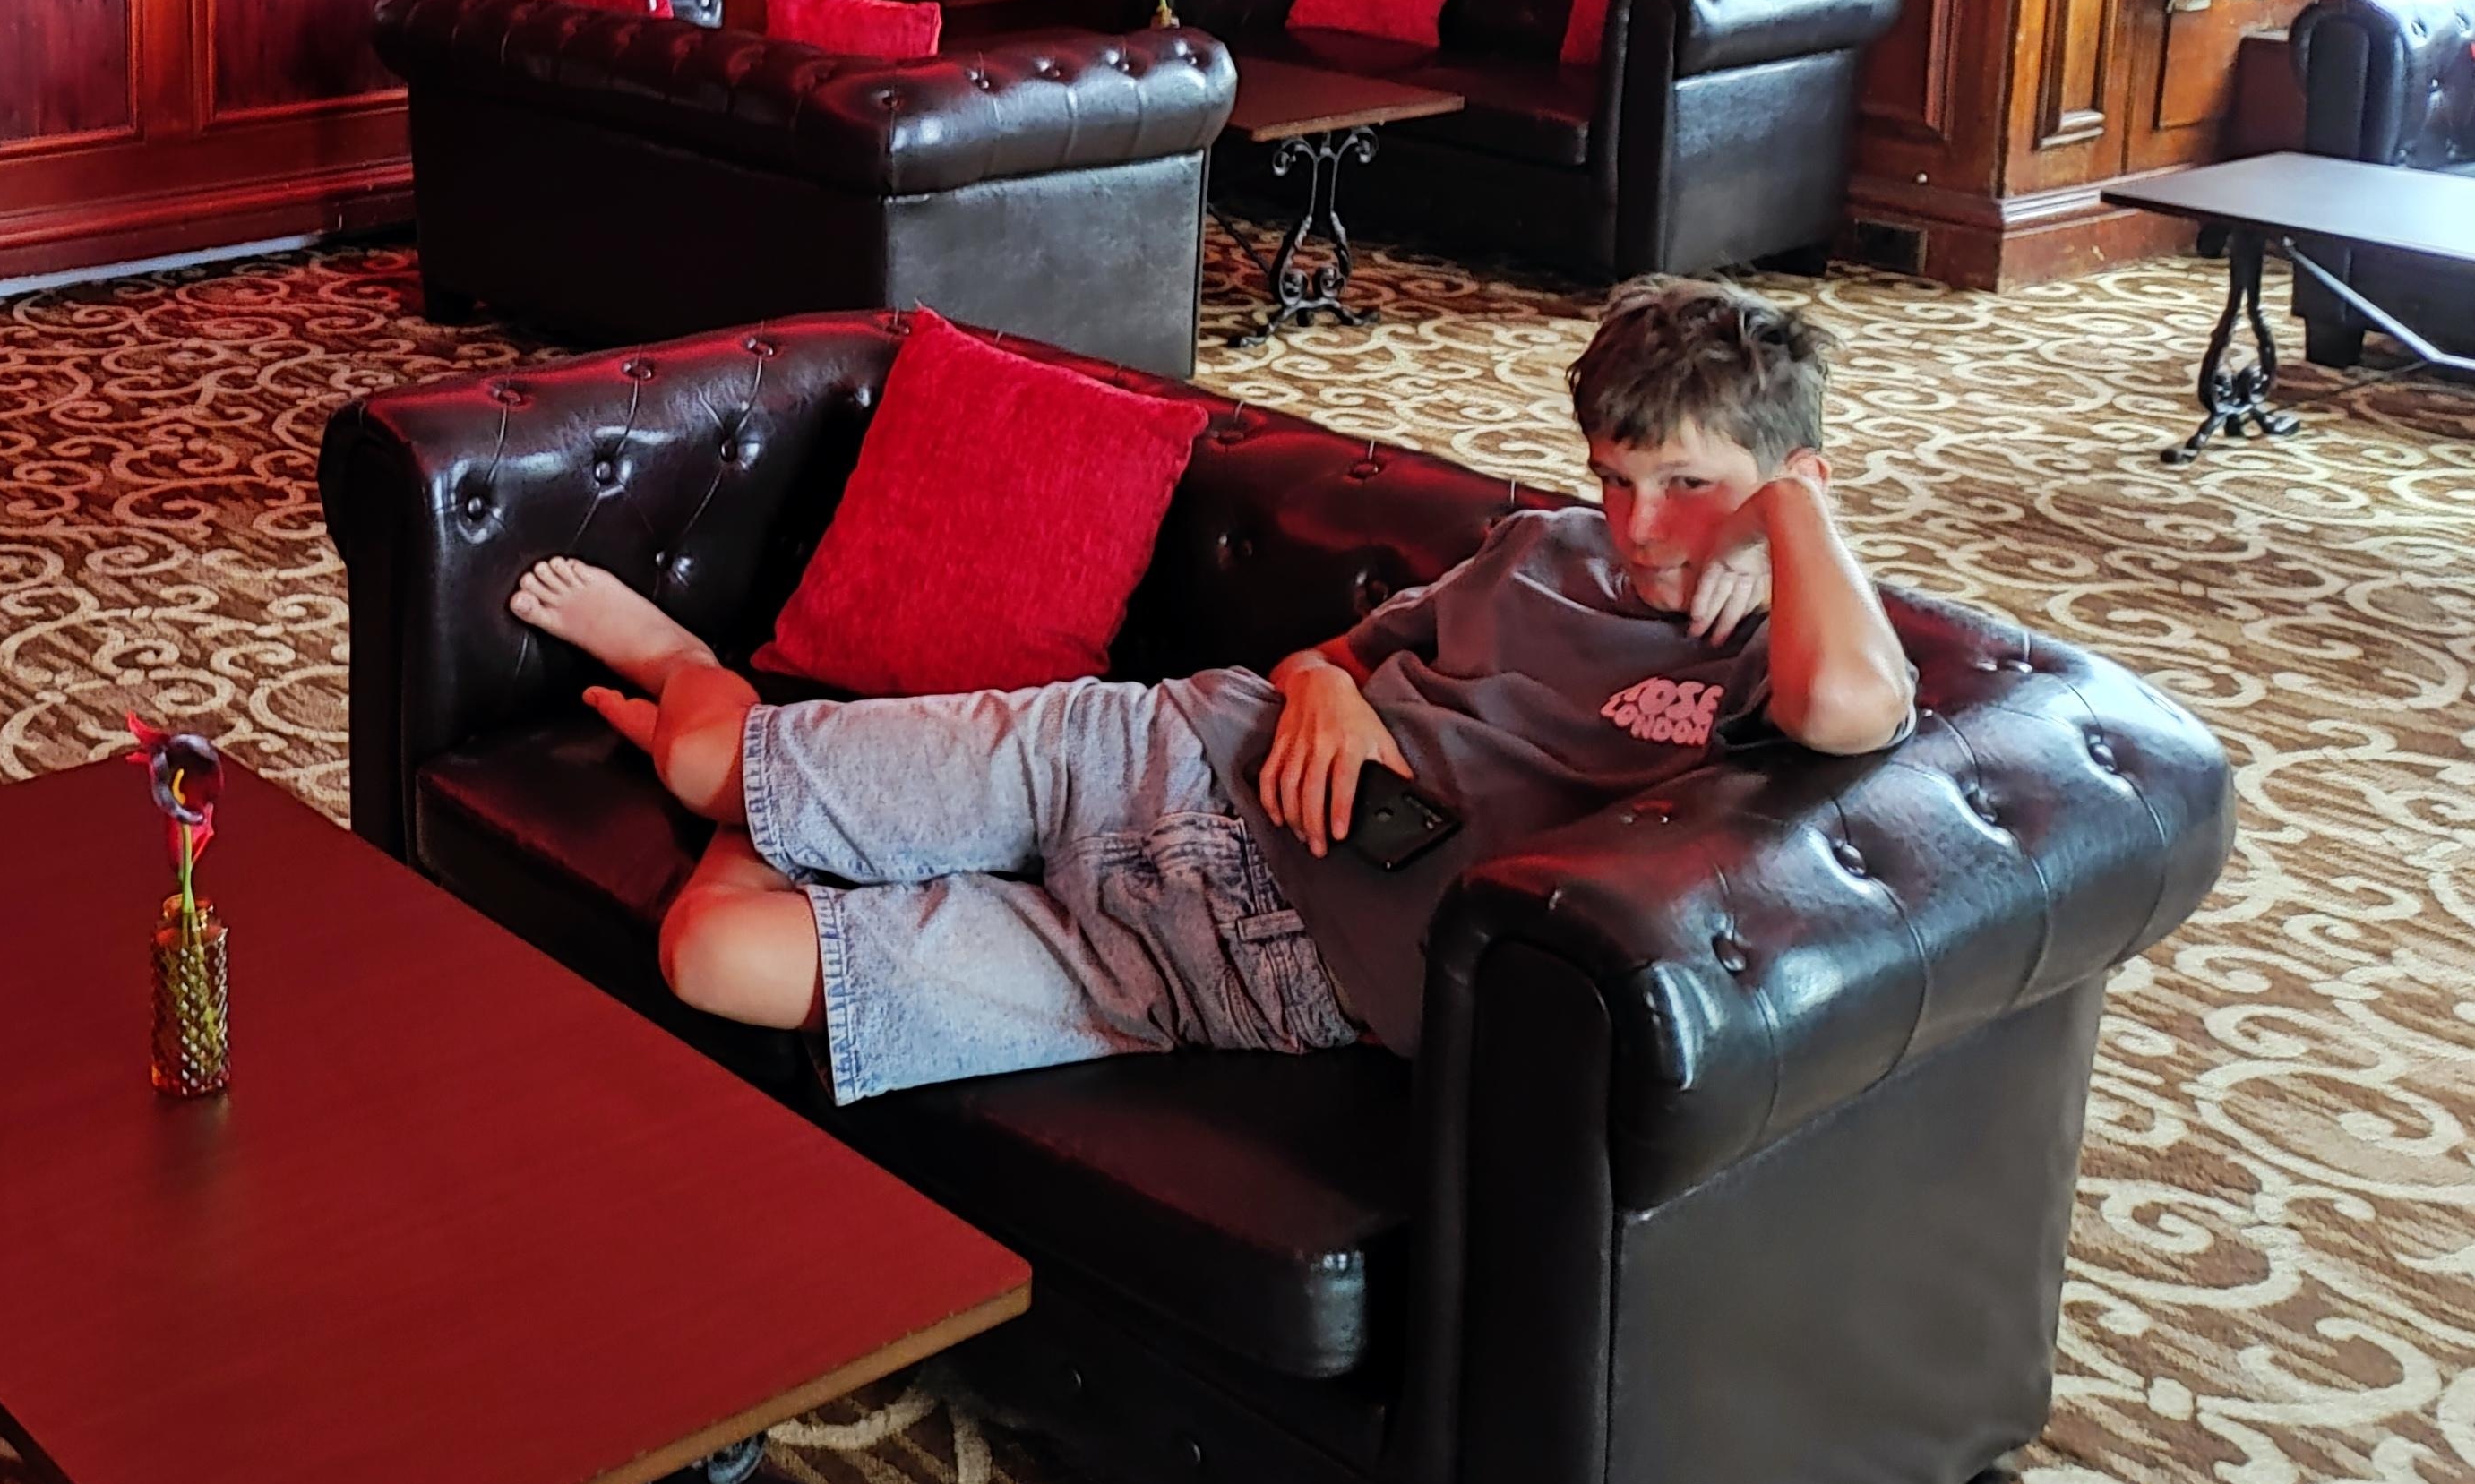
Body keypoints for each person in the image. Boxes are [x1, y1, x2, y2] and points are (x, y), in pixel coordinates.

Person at [504, 275, 1920, 1102]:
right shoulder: (1539, 549)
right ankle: (693, 676)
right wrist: (1330, 695)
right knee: (701, 766)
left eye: (1692, 487)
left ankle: (763, 759)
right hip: (1165, 758)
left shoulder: (1769, 656)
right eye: (1617, 479)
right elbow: (1325, 661)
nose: (1642, 527)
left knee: (711, 958)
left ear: (1787, 482)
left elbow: (1856, 711)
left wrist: (1792, 515)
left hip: (1237, 970)